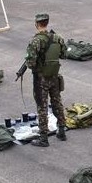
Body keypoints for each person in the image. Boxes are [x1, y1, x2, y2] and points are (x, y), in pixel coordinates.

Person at [16, 13, 67, 147]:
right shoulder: (58, 38)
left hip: (41, 79)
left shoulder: (35, 41)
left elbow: (30, 63)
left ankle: (43, 138)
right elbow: (64, 55)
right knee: (57, 103)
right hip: (54, 77)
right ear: (47, 22)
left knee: (42, 107)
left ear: (37, 24)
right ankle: (62, 130)